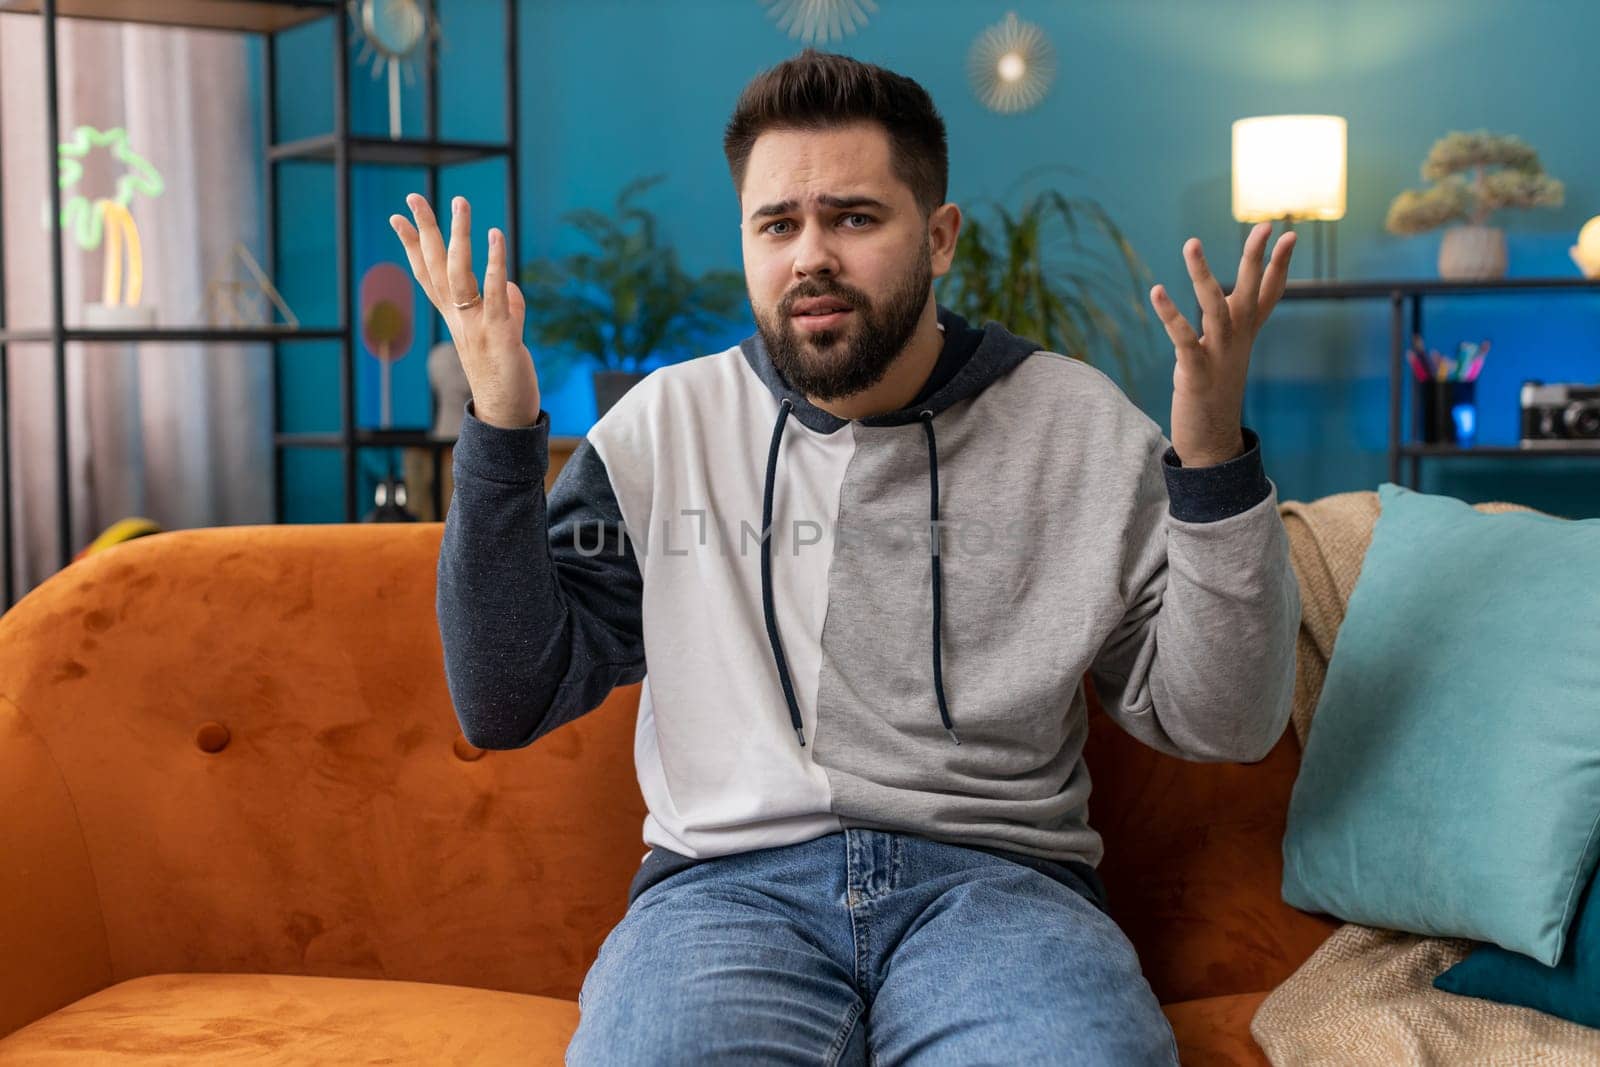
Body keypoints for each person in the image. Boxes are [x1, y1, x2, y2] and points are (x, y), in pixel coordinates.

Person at [391, 47, 1299, 1067]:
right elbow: (505, 696)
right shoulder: (661, 428)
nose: (808, 255)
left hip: (999, 891)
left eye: (853, 218)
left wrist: (1214, 459)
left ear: (940, 235)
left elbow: (1225, 721)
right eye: (777, 224)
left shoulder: (1077, 425)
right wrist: (503, 427)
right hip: (720, 896)